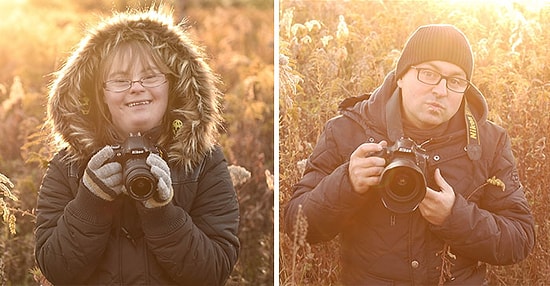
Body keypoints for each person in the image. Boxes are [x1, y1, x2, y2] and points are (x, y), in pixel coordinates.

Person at [284, 24, 535, 285]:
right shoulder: (348, 130)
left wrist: (455, 216)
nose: (441, 90)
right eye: (428, 73)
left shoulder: (489, 142)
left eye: (456, 81)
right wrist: (347, 181)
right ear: (401, 76)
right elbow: (297, 224)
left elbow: (520, 237)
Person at [34, 8, 239, 285]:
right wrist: (90, 202)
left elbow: (215, 271)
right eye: (120, 80)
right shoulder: (69, 166)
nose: (136, 88)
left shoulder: (203, 163)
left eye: (151, 76)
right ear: (100, 94)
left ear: (172, 85)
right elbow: (56, 269)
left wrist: (162, 214)